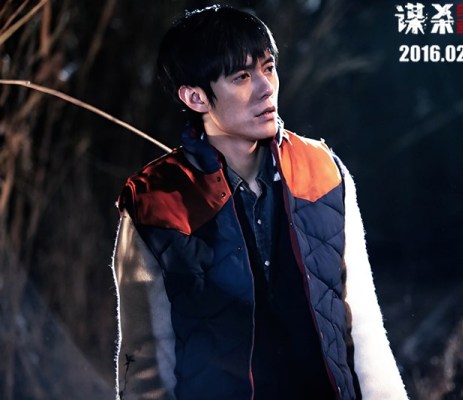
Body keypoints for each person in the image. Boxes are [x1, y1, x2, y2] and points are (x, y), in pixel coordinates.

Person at [112, 5, 408, 400]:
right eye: (242, 77)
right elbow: (146, 359)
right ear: (196, 97)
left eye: (268, 68)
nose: (266, 87)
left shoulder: (322, 170)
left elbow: (364, 327)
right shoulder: (155, 201)